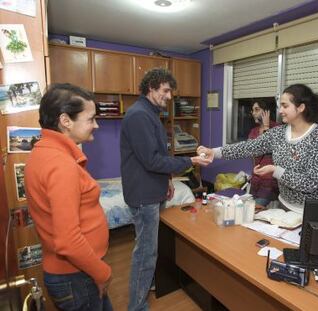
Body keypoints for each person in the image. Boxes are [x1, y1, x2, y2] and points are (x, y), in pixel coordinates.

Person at [120, 68, 210, 311]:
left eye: (170, 91)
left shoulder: (151, 113)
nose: (169, 96)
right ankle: (136, 306)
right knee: (145, 253)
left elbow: (158, 156)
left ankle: (147, 283)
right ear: (151, 88)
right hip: (143, 194)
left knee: (151, 247)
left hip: (154, 188)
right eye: (166, 91)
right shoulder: (139, 115)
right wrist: (190, 161)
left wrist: (167, 180)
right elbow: (151, 160)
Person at [24, 83, 113, 310]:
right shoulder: (60, 164)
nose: (96, 125)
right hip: (77, 276)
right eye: (91, 119)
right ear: (66, 121)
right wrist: (102, 272)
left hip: (75, 272)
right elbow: (68, 241)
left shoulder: (42, 152)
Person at [198, 84, 318, 214]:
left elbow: (310, 183)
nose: (280, 110)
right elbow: (249, 147)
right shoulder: (278, 133)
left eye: (285, 106)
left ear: (301, 107)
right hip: (286, 204)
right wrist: (215, 152)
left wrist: (275, 170)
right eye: (280, 106)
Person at [248, 100, 279, 207]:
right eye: (253, 110)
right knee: (249, 208)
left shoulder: (277, 128)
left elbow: (268, 148)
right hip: (256, 180)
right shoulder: (254, 131)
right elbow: (251, 152)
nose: (253, 113)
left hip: (270, 182)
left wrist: (266, 127)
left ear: (267, 112)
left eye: (257, 110)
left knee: (255, 209)